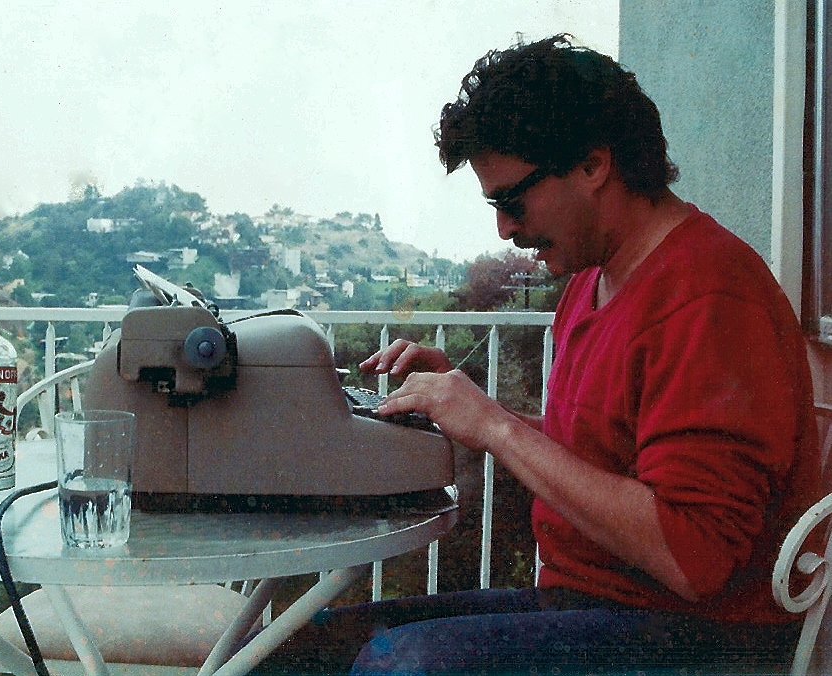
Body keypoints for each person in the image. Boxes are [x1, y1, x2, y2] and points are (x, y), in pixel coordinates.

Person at [254, 34, 823, 675]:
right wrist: (469, 415)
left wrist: (496, 428)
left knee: (399, 665)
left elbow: (695, 559)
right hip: (594, 606)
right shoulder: (594, 278)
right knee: (298, 648)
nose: (503, 228)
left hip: (705, 638)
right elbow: (601, 459)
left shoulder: (709, 296)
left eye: (511, 200)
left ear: (592, 165)